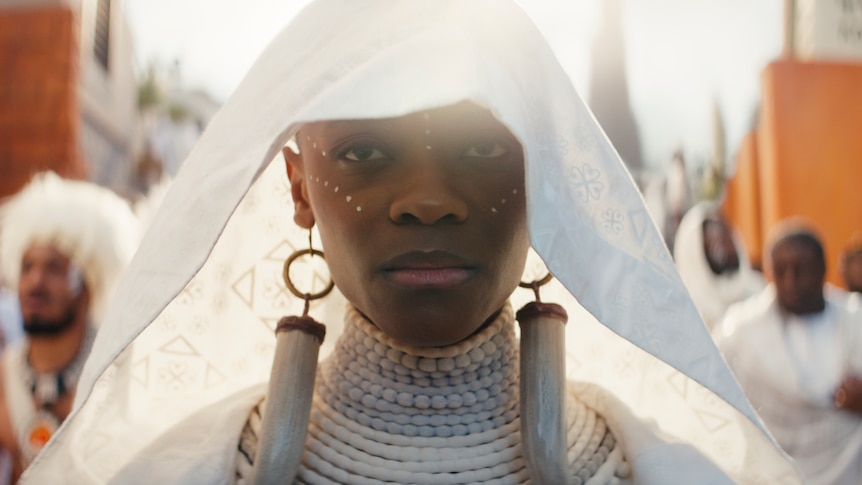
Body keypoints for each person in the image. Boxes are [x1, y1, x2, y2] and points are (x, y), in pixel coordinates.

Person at [23, 1, 798, 483]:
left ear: (548, 182)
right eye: (364, 152)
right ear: (299, 189)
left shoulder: (662, 471)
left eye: (485, 148)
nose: (428, 200)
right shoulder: (178, 470)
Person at [0, 173, 139, 481]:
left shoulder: (117, 374)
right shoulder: (4, 374)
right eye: (28, 267)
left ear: (85, 287)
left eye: (54, 268)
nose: (35, 281)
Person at [716, 221, 862, 485]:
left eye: (801, 269)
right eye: (781, 270)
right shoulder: (740, 333)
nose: (791, 281)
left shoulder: (856, 321)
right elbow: (717, 399)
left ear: (822, 270)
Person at [673, 201, 763, 329]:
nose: (723, 242)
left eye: (724, 231)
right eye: (712, 235)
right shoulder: (686, 319)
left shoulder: (759, 294)